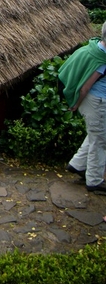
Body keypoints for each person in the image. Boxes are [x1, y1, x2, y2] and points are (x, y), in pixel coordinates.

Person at [59, 22, 106, 194]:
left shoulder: (93, 47)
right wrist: (75, 104)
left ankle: (77, 164)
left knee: (97, 133)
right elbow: (86, 87)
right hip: (96, 102)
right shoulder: (101, 61)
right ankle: (94, 180)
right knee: (100, 141)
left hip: (93, 101)